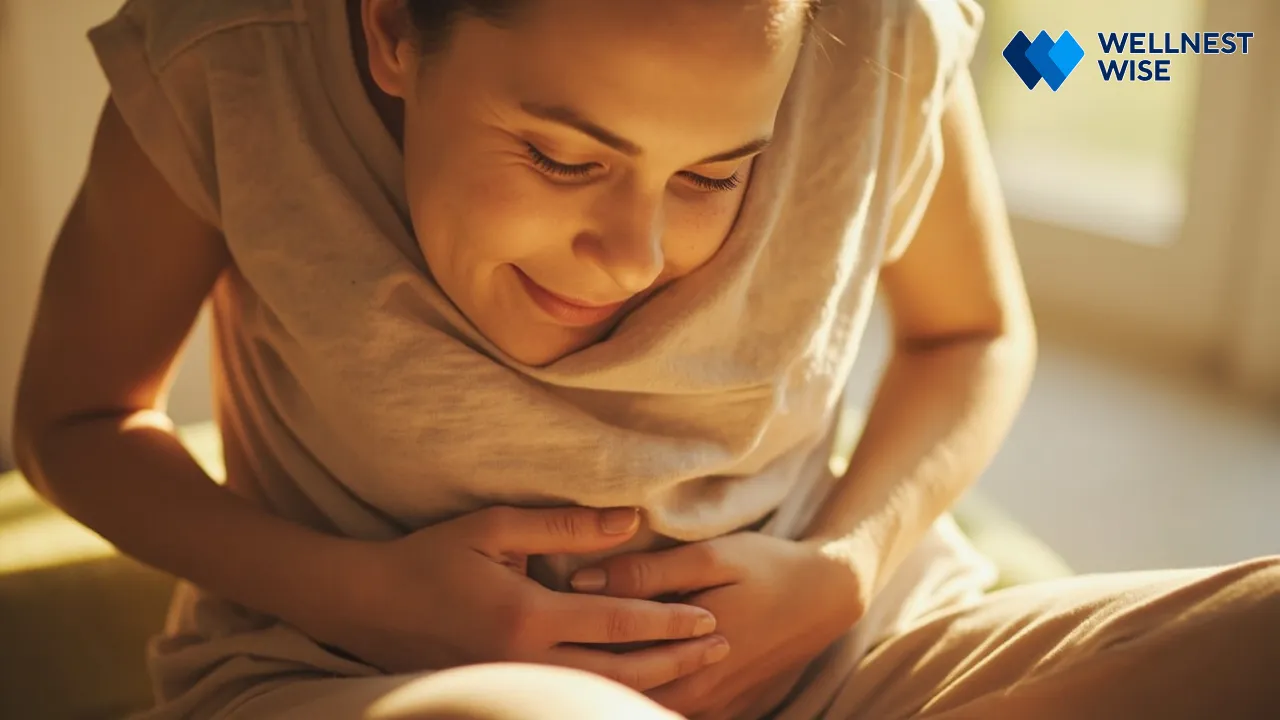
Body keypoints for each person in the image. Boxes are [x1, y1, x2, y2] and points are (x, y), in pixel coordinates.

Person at [11, 0, 1278, 717]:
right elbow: (74, 421)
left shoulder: (878, 35)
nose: (634, 258)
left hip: (840, 665)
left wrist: (845, 569)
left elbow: (971, 332)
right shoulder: (229, 61)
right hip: (358, 677)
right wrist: (366, 594)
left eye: (715, 175)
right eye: (563, 157)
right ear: (393, 27)